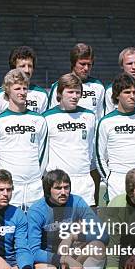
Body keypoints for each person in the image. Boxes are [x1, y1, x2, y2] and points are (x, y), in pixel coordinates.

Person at [28, 170, 108, 269]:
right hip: (47, 261)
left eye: (66, 187)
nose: (63, 192)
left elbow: (102, 233)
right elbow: (33, 251)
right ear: (48, 190)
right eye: (58, 188)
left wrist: (72, 237)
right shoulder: (36, 210)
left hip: (70, 257)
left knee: (99, 248)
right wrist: (64, 258)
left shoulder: (77, 202)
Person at [49, 43, 105, 206]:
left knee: (89, 203)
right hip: (65, 151)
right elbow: (55, 115)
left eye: (89, 64)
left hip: (88, 151)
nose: (86, 68)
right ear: (73, 63)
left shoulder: (98, 86)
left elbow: (100, 118)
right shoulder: (59, 86)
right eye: (82, 64)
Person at [0, 69, 48, 211]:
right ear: (7, 90)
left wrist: (36, 177)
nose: (22, 92)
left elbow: (43, 154)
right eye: (17, 88)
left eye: (25, 88)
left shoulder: (39, 120)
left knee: (36, 230)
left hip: (34, 188)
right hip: (8, 189)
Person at [96, 73, 135, 201]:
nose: (132, 96)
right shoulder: (106, 122)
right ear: (117, 95)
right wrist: (109, 178)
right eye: (127, 92)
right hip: (117, 179)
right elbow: (99, 155)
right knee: (119, 220)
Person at [43, 73, 97, 207]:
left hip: (84, 181)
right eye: (70, 92)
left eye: (78, 92)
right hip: (58, 183)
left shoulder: (89, 116)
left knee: (85, 226)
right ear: (60, 93)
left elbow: (89, 147)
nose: (74, 96)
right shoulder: (46, 118)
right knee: (57, 226)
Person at [0, 46, 48, 117]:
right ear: (14, 68)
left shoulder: (42, 94)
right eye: (22, 66)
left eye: (30, 66)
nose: (27, 70)